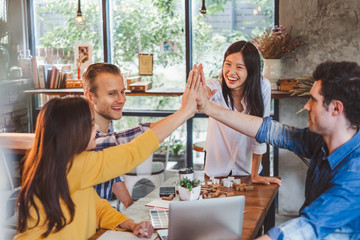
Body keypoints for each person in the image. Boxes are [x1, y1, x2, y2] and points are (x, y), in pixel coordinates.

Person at [15, 65, 201, 239]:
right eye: (89, 124)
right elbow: (132, 151)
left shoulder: (69, 165)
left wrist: (129, 224)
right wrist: (184, 112)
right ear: (70, 133)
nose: (94, 129)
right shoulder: (71, 167)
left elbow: (97, 208)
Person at [196, 61, 360, 239]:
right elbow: (270, 131)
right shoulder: (322, 141)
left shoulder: (355, 173)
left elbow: (304, 228)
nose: (306, 106)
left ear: (336, 108)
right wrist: (208, 108)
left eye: (313, 99)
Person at [83, 63, 165, 208]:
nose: (122, 99)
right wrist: (185, 111)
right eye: (112, 93)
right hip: (83, 224)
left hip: (102, 217)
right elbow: (133, 138)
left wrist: (130, 205)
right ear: (90, 96)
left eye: (122, 92)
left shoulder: (108, 125)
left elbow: (112, 174)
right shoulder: (83, 135)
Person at [202, 40, 280, 185]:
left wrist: (255, 174)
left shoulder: (262, 87)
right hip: (215, 171)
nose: (231, 72)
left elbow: (260, 133)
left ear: (251, 71)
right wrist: (201, 93)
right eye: (228, 64)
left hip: (248, 170)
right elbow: (204, 89)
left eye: (239, 67)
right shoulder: (215, 86)